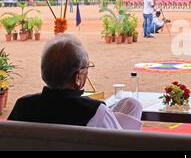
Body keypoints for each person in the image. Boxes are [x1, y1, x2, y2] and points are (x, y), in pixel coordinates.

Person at [8, 34, 143, 130]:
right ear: (77, 78)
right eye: (86, 68)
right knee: (132, 106)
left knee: (131, 104)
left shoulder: (22, 106)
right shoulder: (95, 112)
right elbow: (122, 144)